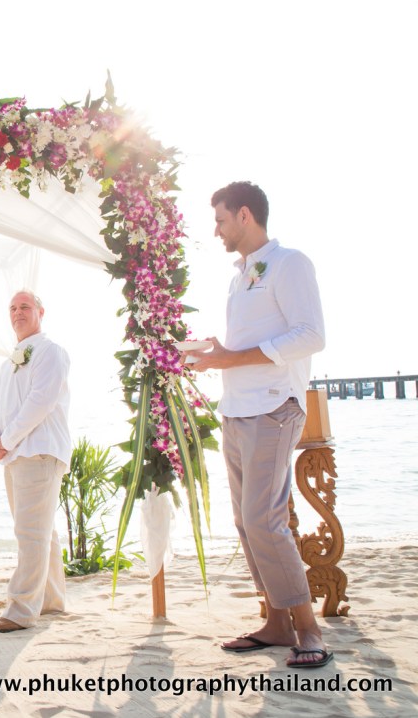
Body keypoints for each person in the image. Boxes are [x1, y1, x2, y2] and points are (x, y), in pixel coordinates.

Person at [190, 181, 332, 669]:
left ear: (245, 215)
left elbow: (311, 335)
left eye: (221, 220)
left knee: (265, 521)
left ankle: (308, 628)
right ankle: (275, 622)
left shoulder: (291, 263)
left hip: (274, 407)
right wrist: (217, 354)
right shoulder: (240, 275)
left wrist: (232, 357)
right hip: (236, 409)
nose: (217, 230)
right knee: (246, 524)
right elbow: (247, 342)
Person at [0, 291, 71, 633]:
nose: (18, 313)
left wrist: (6, 440)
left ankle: (20, 611)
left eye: (25, 307)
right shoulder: (9, 362)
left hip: (40, 451)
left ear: (41, 312)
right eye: (13, 308)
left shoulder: (51, 352)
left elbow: (40, 402)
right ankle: (51, 600)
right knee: (41, 531)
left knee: (30, 533)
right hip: (17, 454)